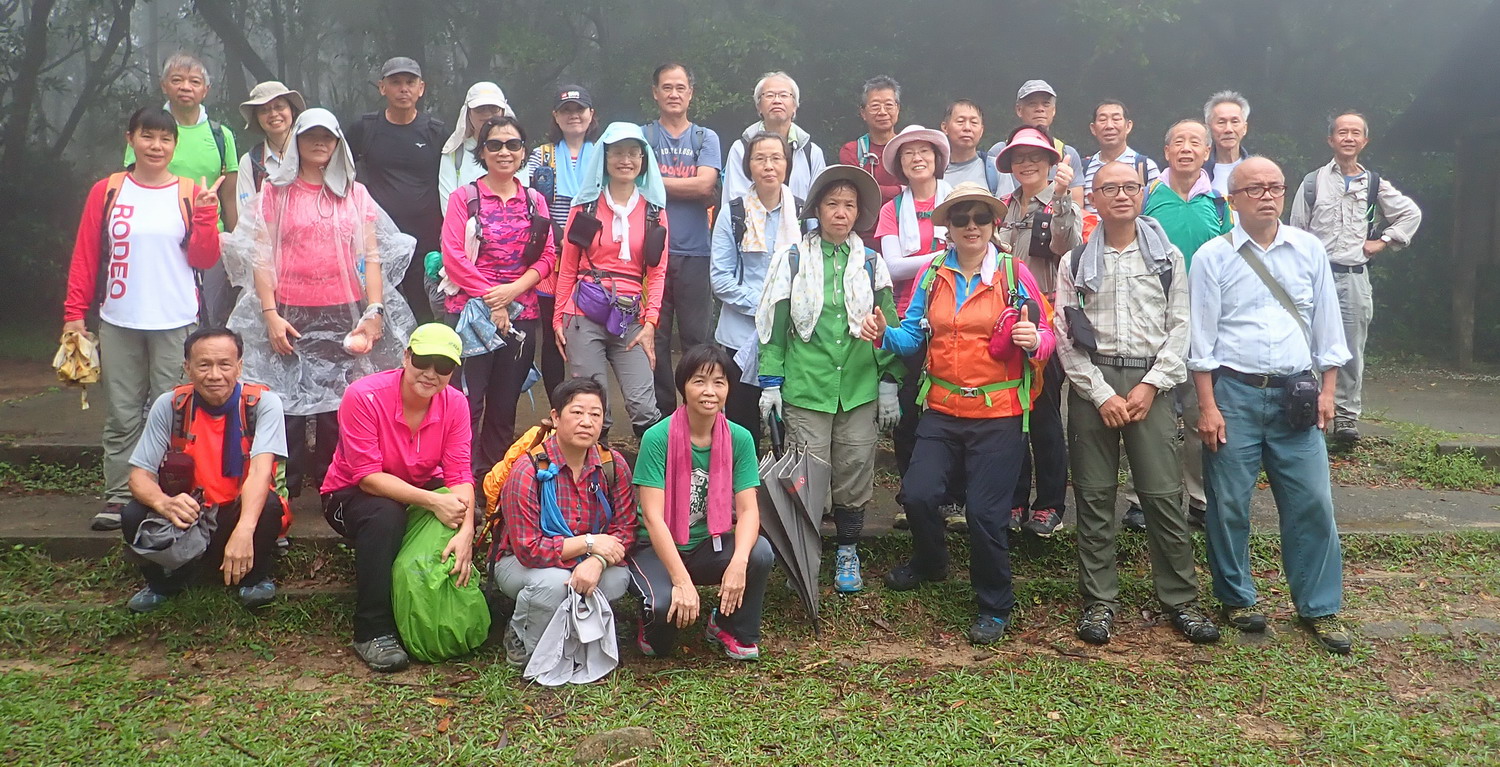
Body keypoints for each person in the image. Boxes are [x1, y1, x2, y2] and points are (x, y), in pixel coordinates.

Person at [868, 182, 1054, 645]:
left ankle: (994, 602)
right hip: (943, 408)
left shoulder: (1013, 273)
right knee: (916, 494)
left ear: (994, 225)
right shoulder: (933, 273)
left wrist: (1036, 342)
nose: (971, 226)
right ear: (947, 227)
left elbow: (1047, 330)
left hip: (999, 412)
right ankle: (932, 563)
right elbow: (913, 336)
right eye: (961, 218)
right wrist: (883, 334)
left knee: (986, 515)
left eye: (980, 218)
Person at [1188, 157, 1354, 655]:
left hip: (1297, 395)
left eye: (1275, 187)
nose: (1266, 195)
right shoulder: (1212, 257)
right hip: (1233, 393)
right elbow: (1202, 339)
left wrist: (1328, 392)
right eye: (1254, 188)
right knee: (1229, 503)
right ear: (1232, 199)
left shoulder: (1308, 250)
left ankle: (1319, 607)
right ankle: (1237, 598)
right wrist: (1207, 406)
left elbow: (1328, 328)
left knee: (1312, 503)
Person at [1053, 162, 1220, 646]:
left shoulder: (1166, 256)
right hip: (1093, 383)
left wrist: (1151, 385)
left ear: (1142, 194)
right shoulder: (1076, 259)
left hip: (1154, 381)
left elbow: (1181, 326)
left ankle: (1181, 600)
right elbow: (1065, 334)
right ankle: (1099, 601)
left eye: (1129, 187)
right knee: (1094, 494)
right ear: (1094, 197)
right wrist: (1100, 392)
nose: (1121, 195)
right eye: (1110, 188)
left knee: (1164, 496)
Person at [225, 108, 417, 501]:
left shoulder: (354, 192)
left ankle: (333, 485)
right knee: (285, 401)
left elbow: (372, 255)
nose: (319, 143)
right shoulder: (276, 192)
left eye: (327, 137)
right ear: (296, 140)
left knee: (339, 400)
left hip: (343, 309)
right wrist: (270, 314)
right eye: (310, 135)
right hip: (289, 309)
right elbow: (260, 255)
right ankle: (286, 490)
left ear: (338, 144)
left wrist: (375, 309)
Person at [65, 106, 225, 531]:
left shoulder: (189, 191)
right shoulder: (109, 190)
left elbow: (204, 258)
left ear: (175, 145)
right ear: (130, 139)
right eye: (147, 136)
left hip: (176, 321)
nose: (156, 146)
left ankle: (172, 492)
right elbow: (85, 255)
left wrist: (207, 216)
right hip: (119, 319)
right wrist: (73, 314)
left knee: (174, 414)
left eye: (165, 139)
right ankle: (120, 496)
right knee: (122, 415)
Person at [757, 166, 901, 594]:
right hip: (807, 386)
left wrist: (890, 379)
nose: (841, 213)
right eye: (833, 204)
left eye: (849, 205)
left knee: (855, 469)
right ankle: (807, 553)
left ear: (859, 213)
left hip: (858, 388)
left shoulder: (872, 262)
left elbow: (887, 322)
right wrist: (770, 382)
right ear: (817, 208)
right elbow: (774, 324)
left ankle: (848, 551)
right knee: (807, 475)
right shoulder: (794, 258)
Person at [321, 324, 476, 672]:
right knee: (386, 515)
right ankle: (371, 630)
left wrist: (466, 531)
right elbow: (367, 477)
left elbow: (460, 474)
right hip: (350, 495)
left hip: (416, 490)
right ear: (406, 356)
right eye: (423, 360)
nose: (431, 373)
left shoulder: (455, 404)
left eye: (443, 366)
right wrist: (434, 501)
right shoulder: (364, 395)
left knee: (463, 509)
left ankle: (433, 615)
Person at [119, 328, 287, 613]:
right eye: (204, 365)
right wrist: (165, 503)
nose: (215, 375)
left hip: (237, 509)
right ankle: (162, 584)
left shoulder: (262, 404)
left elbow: (260, 473)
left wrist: (245, 530)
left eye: (224, 364)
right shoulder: (171, 405)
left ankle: (255, 577)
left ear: (240, 366)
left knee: (269, 505)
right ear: (187, 368)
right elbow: (139, 476)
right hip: (190, 513)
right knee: (133, 512)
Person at [628, 346, 774, 660]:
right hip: (654, 546)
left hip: (708, 543)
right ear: (684, 387)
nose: (710, 392)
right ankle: (652, 616)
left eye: (719, 382)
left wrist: (738, 564)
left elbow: (748, 510)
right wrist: (680, 580)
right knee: (659, 642)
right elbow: (652, 518)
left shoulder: (739, 438)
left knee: (758, 552)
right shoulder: (658, 438)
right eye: (699, 381)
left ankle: (727, 625)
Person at [1289, 112, 1422, 443]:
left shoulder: (1374, 183)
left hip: (1354, 277)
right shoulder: (1312, 182)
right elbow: (1294, 231)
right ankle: (1307, 407)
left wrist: (1383, 241)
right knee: (1306, 344)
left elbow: (1411, 213)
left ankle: (1345, 419)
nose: (1348, 138)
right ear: (1330, 139)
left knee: (1350, 348)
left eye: (1355, 133)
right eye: (1341, 132)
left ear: (1365, 140)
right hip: (1315, 278)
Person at [1127, 118, 1234, 528]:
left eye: (1195, 142)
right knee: (1149, 412)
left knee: (1196, 412)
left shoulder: (1220, 203)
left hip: (1204, 320)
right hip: (1151, 318)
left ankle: (1199, 498)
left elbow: (1231, 258)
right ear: (1166, 151)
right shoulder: (1148, 196)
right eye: (1178, 142)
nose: (1187, 148)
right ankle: (1141, 500)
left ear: (1207, 152)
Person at [439, 114, 556, 485]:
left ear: (523, 152)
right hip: (469, 316)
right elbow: (453, 257)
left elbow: (549, 256)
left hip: (522, 317)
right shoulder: (465, 197)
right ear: (482, 151)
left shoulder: (535, 200)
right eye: (495, 144)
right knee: (467, 403)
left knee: (505, 406)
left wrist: (512, 292)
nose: (504, 151)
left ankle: (494, 481)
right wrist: (496, 300)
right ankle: (461, 480)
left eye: (513, 144)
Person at [493, 377, 637, 669]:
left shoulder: (612, 464)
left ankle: (571, 631)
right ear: (556, 418)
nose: (587, 422)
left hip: (587, 558)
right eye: (577, 412)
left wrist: (596, 561)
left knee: (616, 579)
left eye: (595, 414)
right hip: (522, 564)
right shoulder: (528, 469)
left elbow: (626, 529)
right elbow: (528, 549)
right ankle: (520, 633)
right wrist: (590, 542)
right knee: (553, 584)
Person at [553, 122, 671, 437]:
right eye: (617, 152)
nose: (625, 159)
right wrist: (558, 317)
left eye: (633, 152)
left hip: (631, 317)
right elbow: (568, 265)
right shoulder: (586, 205)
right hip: (583, 313)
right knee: (592, 406)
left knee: (644, 406)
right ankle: (594, 477)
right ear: (605, 158)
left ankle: (651, 481)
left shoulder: (654, 212)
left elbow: (657, 272)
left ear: (643, 159)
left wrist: (651, 323)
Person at [995, 125, 1083, 538]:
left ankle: (1049, 505)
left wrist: (1064, 198)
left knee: (1044, 413)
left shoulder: (1060, 201)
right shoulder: (1005, 206)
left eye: (1035, 157)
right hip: (1008, 320)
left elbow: (1069, 245)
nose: (1026, 164)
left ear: (1051, 163)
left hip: (1047, 319)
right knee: (1012, 414)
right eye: (1018, 158)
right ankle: (1014, 499)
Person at [871, 125, 956, 530]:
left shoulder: (956, 199)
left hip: (955, 312)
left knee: (952, 407)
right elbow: (891, 266)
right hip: (907, 317)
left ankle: (954, 498)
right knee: (907, 412)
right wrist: (941, 256)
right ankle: (910, 497)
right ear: (900, 165)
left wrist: (919, 258)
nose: (917, 158)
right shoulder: (892, 209)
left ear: (937, 158)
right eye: (908, 154)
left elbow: (973, 252)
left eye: (924, 151)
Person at [127, 53, 240, 327]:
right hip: (157, 239)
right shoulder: (146, 133)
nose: (185, 87)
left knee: (206, 318)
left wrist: (236, 248)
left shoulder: (221, 135)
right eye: (177, 80)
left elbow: (229, 196)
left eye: (194, 81)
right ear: (164, 85)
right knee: (156, 316)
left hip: (210, 239)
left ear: (206, 90)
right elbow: (131, 187)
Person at [642, 63, 723, 416]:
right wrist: (681, 186)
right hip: (648, 253)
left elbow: (706, 185)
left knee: (697, 339)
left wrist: (653, 181)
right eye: (667, 87)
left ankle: (698, 413)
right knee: (654, 340)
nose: (674, 94)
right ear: (655, 92)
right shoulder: (643, 135)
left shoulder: (706, 138)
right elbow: (633, 180)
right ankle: (662, 416)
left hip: (696, 252)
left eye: (680, 87)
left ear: (691, 93)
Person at [708, 131, 798, 442]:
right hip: (740, 337)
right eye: (760, 158)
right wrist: (766, 307)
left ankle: (785, 491)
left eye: (776, 158)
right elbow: (720, 278)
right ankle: (741, 490)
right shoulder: (733, 212)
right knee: (741, 428)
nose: (769, 165)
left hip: (791, 337)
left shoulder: (803, 213)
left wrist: (783, 312)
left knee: (788, 426)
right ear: (749, 166)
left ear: (787, 164)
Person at [346, 56, 448, 323]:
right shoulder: (364, 128)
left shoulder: (436, 132)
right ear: (382, 87)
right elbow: (338, 170)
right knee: (377, 313)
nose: (404, 89)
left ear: (421, 88)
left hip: (425, 243)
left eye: (410, 82)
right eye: (395, 82)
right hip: (377, 243)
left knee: (424, 314)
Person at [521, 86, 601, 398]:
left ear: (591, 114)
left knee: (591, 330)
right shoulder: (541, 155)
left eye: (580, 109)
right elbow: (529, 201)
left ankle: (592, 405)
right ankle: (556, 405)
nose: (573, 116)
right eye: (566, 110)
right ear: (556, 115)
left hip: (593, 255)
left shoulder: (603, 152)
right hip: (553, 255)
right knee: (553, 333)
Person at [721, 71, 828, 204]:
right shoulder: (741, 149)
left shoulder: (812, 153)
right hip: (751, 224)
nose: (777, 101)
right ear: (759, 106)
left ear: (795, 106)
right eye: (770, 95)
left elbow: (818, 204)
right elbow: (734, 202)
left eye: (784, 95)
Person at [987, 80, 1085, 205]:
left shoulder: (1067, 154)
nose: (1040, 109)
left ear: (1053, 110)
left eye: (1046, 104)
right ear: (1019, 110)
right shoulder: (999, 151)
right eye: (1032, 104)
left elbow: (1077, 206)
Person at [438, 82, 516, 210]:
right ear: (468, 113)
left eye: (493, 108)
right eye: (480, 109)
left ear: (503, 111)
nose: (487, 114)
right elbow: (448, 207)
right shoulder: (454, 153)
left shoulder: (515, 152)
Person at [235, 81, 306, 210]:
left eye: (279, 107)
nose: (273, 114)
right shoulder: (250, 162)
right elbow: (247, 216)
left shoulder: (309, 153)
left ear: (292, 111)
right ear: (256, 118)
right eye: (264, 110)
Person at [1081, 100, 1160, 213]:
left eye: (1116, 119)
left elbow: (1156, 212)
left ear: (1128, 126)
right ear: (1093, 128)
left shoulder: (1145, 167)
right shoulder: (1082, 169)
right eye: (1103, 120)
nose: (1109, 126)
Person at [838, 75, 904, 205]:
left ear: (898, 109)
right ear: (863, 112)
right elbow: (858, 192)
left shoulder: (908, 148)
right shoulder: (851, 151)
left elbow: (920, 191)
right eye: (875, 106)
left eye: (889, 105)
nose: (882, 112)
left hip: (904, 222)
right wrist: (902, 190)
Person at [940, 100, 999, 193]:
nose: (967, 128)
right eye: (960, 121)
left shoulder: (996, 169)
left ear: (981, 130)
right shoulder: (932, 172)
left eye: (974, 122)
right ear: (945, 127)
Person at [1203, 91, 1252, 197]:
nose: (1228, 129)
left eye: (1235, 122)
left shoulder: (1256, 169)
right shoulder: (1198, 172)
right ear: (1209, 128)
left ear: (1244, 128)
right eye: (1221, 122)